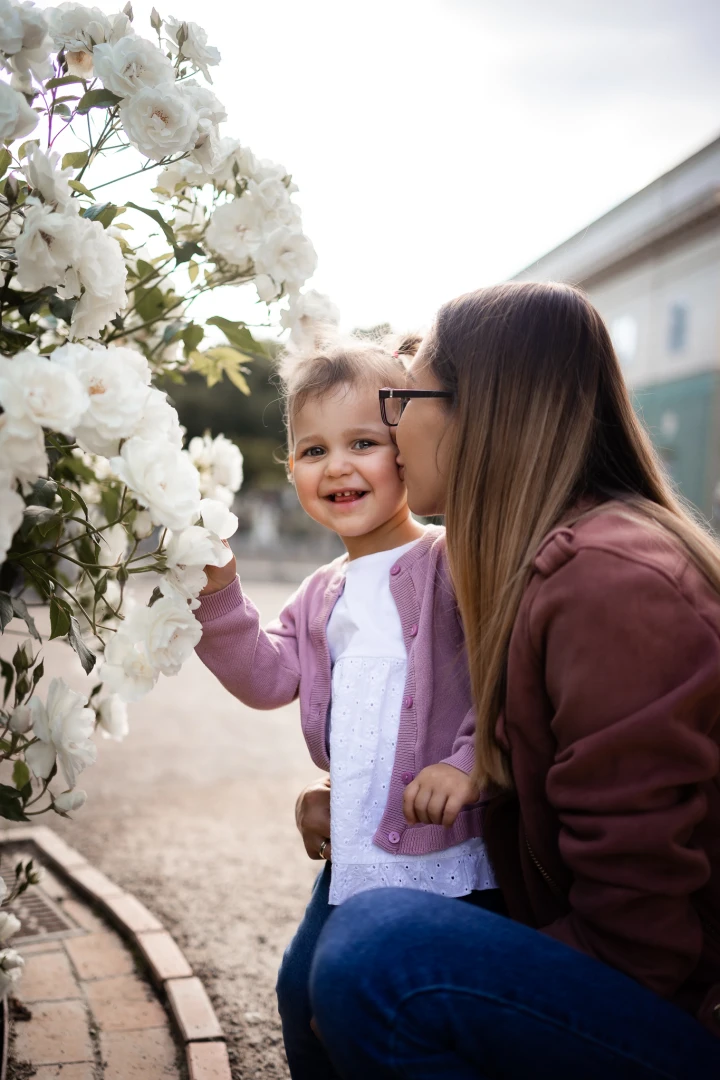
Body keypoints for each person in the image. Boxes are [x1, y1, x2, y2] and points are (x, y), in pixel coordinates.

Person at [301, 282, 720, 1079]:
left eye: (404, 398)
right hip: (641, 978)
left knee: (379, 955)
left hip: (687, 1016)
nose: (390, 428)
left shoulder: (612, 583)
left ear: (475, 410)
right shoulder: (531, 564)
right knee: (332, 934)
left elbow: (640, 942)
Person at [194, 336, 503, 1079]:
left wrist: (468, 761)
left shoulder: (448, 560)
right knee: (300, 996)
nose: (336, 466)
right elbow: (268, 678)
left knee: (403, 1016)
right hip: (357, 853)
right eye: (312, 449)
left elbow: (504, 673)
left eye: (363, 442)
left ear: (407, 450)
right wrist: (216, 596)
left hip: (451, 855)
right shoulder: (320, 591)